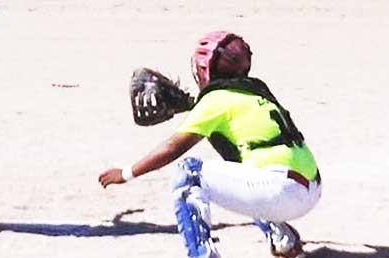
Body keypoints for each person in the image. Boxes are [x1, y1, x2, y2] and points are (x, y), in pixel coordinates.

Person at [98, 31, 321, 258]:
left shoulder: (214, 102)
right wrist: (192, 104)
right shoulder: (256, 90)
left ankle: (202, 254)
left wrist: (126, 173)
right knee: (245, 165)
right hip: (309, 188)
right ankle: (283, 239)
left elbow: (173, 147)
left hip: (279, 192)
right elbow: (224, 112)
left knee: (189, 173)